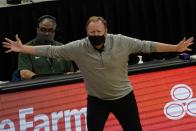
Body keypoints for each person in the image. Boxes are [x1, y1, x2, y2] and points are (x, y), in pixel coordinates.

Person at [3, 16, 194, 131]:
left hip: (124, 98)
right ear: (87, 32)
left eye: (98, 31)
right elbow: (50, 50)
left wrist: (176, 47)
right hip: (96, 101)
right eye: (91, 32)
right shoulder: (78, 47)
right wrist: (23, 49)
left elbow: (148, 46)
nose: (95, 35)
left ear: (106, 31)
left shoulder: (121, 41)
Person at [18, 15, 74, 80]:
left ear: (54, 31)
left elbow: (70, 72)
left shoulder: (62, 47)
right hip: (38, 85)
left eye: (50, 30)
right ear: (37, 29)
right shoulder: (25, 49)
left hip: (61, 85)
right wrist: (43, 80)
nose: (47, 33)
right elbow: (24, 73)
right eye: (43, 30)